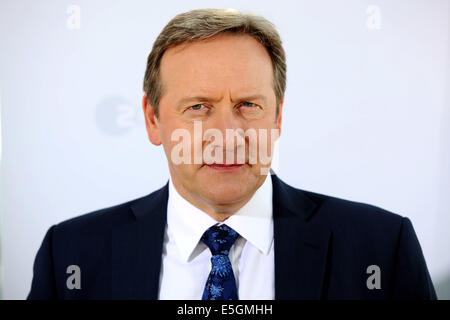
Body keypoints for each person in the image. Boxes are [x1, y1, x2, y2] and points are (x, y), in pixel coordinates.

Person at [28, 8, 436, 300]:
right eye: (198, 107)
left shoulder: (382, 248)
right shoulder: (69, 254)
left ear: (277, 118)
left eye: (248, 105)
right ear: (153, 120)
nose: (227, 133)